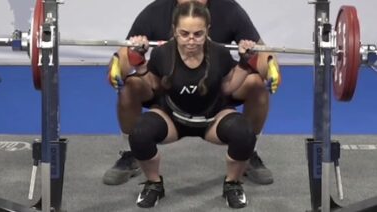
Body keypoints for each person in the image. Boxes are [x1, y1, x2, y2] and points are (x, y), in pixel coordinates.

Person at [104, 0, 281, 186]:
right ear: (175, 29)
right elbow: (126, 50)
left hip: (215, 88)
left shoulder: (229, 10)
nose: (191, 38)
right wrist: (117, 65)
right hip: (170, 88)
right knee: (130, 87)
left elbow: (261, 50)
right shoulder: (156, 11)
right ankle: (131, 153)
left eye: (198, 33)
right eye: (184, 33)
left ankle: (248, 152)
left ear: (208, 28)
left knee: (257, 85)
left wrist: (270, 67)